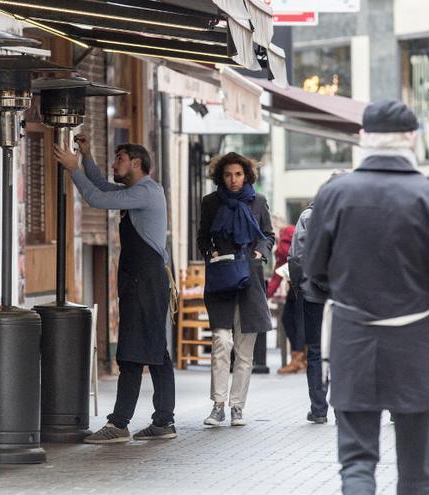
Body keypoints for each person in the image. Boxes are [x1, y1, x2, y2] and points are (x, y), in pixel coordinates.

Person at [305, 100, 429, 494]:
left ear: (363, 138)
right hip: (415, 338)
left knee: (357, 463)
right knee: (416, 470)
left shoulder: (334, 194)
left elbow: (313, 270)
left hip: (352, 335)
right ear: (411, 139)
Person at [53, 134, 176, 443]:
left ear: (136, 163)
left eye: (119, 159)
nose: (114, 164)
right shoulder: (138, 191)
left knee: (133, 352)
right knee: (156, 352)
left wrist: (73, 168)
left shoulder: (146, 193)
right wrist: (88, 157)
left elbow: (99, 199)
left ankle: (119, 424)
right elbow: (106, 188)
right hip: (142, 281)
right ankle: (163, 422)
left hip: (144, 283)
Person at [196, 152, 275, 427]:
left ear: (247, 175)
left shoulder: (258, 201)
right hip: (221, 277)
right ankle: (218, 405)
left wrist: (259, 253)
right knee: (222, 342)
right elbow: (202, 238)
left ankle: (237, 407)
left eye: (238, 174)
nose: (233, 179)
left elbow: (268, 236)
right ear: (221, 176)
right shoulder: (210, 202)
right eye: (228, 174)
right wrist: (211, 251)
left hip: (250, 280)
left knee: (244, 351)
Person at [287, 170, 348, 425]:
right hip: (346, 296)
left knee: (315, 351)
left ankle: (319, 409)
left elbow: (297, 256)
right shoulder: (354, 217)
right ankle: (343, 408)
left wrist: (299, 285)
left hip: (314, 294)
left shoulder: (309, 216)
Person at [272, 222, 306, 375]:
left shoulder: (288, 232)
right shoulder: (282, 238)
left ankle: (298, 359)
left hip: (303, 283)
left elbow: (287, 255)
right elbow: (278, 274)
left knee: (299, 321)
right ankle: (300, 356)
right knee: (287, 318)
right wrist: (265, 294)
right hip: (294, 284)